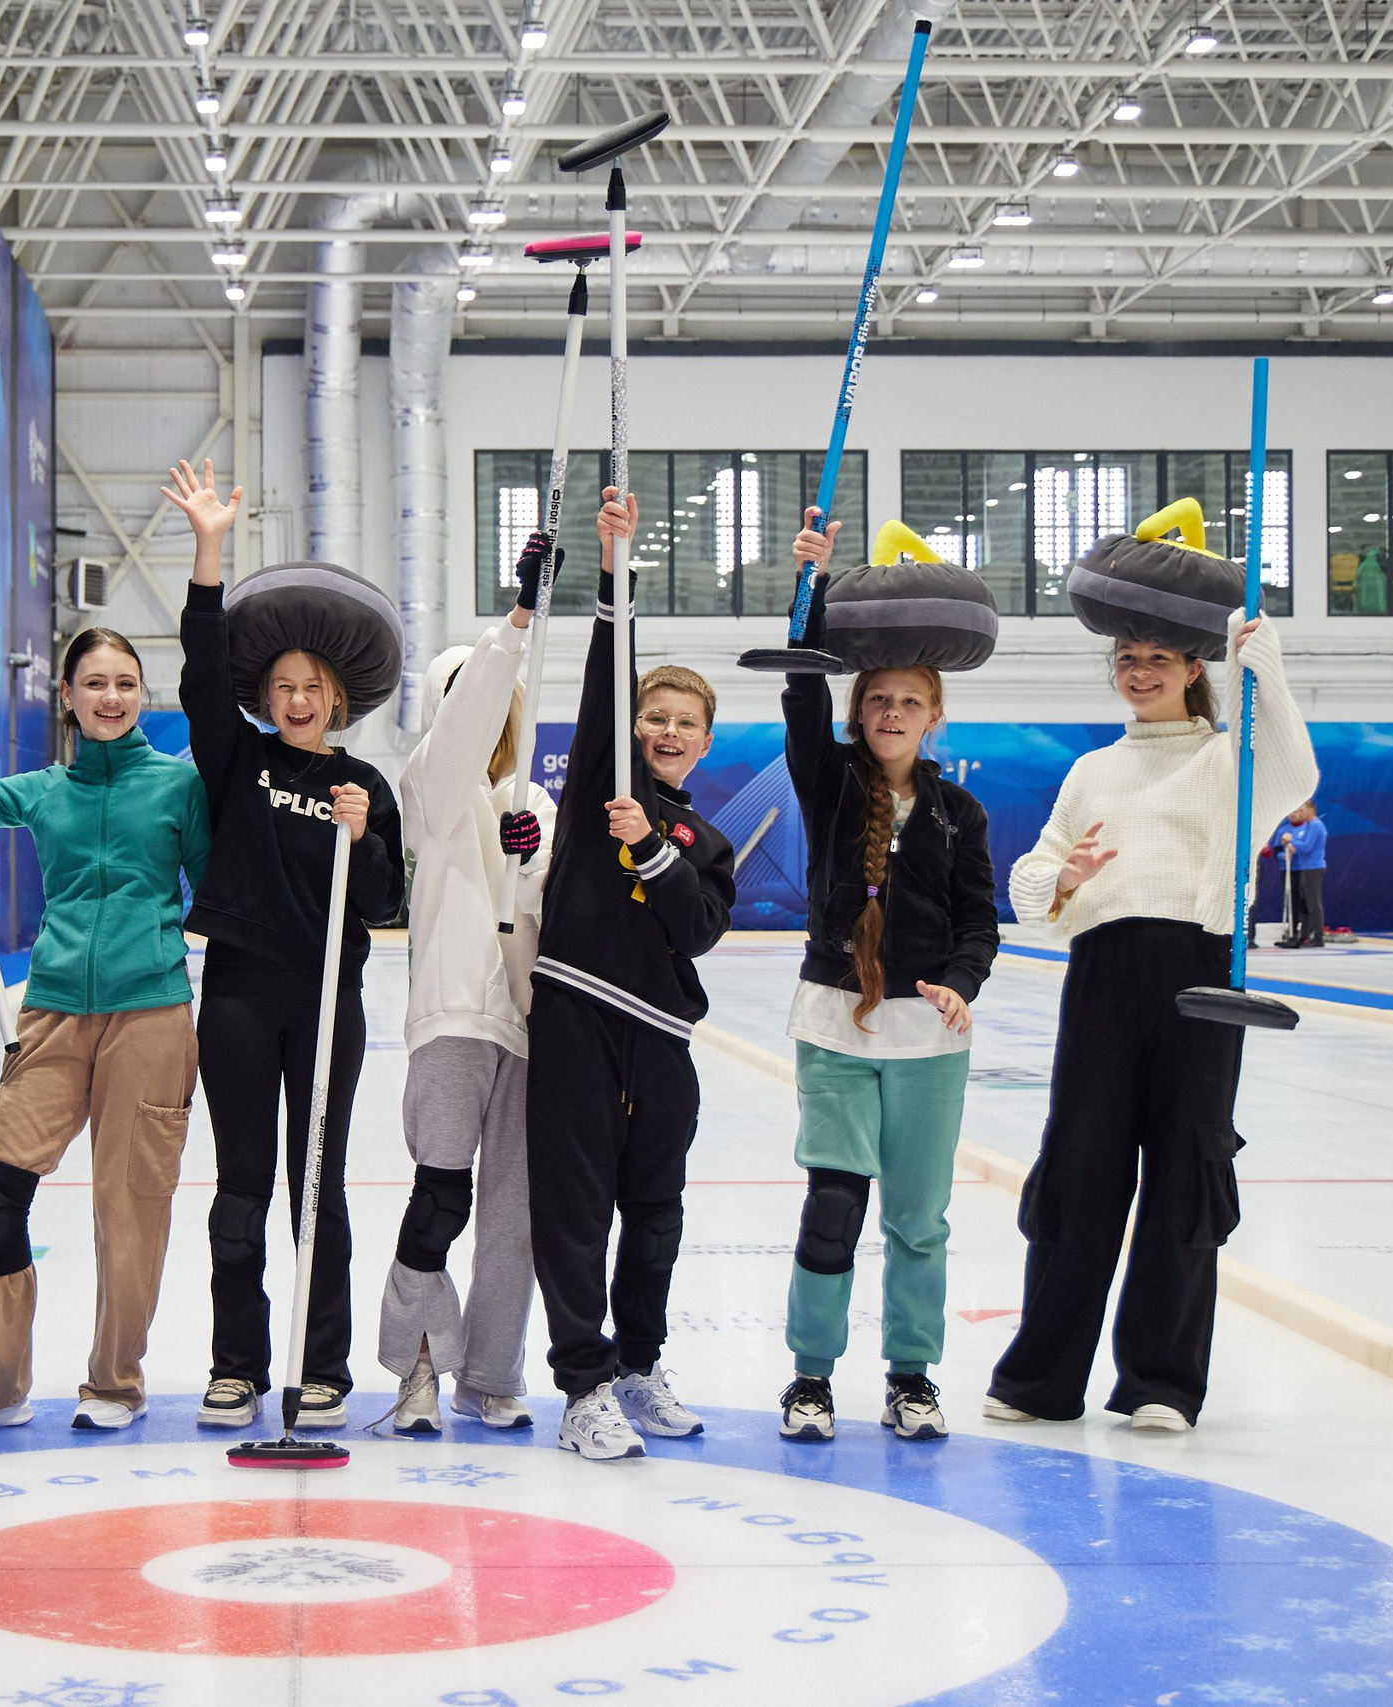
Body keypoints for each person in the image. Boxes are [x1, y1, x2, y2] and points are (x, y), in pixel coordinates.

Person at [988, 608, 1316, 1432]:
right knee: (1079, 1172)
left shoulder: (1226, 758)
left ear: (1192, 669)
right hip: (1102, 973)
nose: (1141, 671)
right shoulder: (1094, 769)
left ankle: (1161, 1381)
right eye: (1127, 658)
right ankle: (1040, 1380)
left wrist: (1260, 657)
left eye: (1159, 658)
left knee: (1185, 1172)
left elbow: (1294, 770)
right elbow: (1035, 877)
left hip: (1200, 975)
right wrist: (1065, 873)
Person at [0, 626, 213, 1434]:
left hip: (152, 1011)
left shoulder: (180, 788)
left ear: (144, 696)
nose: (111, 697)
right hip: (56, 1008)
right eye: (94, 684)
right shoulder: (43, 791)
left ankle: (115, 1382)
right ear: (66, 698)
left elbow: (216, 891)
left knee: (130, 1205)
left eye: (125, 684)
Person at [164, 459, 405, 1430]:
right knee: (241, 1186)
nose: (297, 698)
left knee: (320, 1189)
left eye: (312, 686)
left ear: (335, 696)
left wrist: (363, 837)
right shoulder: (239, 764)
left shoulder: (364, 786)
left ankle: (322, 1369)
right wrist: (208, 552)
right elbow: (194, 675)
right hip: (235, 993)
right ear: (263, 696)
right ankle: (235, 1366)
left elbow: (385, 903)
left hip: (325, 1002)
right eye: (281, 685)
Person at [772, 512, 999, 1446]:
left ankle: (912, 1375)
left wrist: (961, 982)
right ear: (860, 713)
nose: (892, 715)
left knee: (918, 1221)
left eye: (910, 702)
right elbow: (799, 691)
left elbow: (982, 921)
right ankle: (811, 1377)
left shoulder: (959, 810)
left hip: (930, 1041)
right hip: (835, 1023)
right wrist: (812, 590)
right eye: (878, 702)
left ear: (934, 715)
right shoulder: (831, 783)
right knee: (834, 1205)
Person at [528, 489, 738, 1462]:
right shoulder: (596, 797)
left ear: (703, 739)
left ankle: (639, 1365)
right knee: (574, 1210)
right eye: (651, 715)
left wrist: (655, 849)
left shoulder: (706, 839)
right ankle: (582, 1386)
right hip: (576, 1016)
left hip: (663, 1041)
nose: (661, 731)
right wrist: (616, 574)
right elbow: (602, 679)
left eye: (680, 722)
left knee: (655, 1213)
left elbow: (695, 932)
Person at [379, 570, 558, 1434]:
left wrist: (533, 868)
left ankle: (489, 1371)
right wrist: (516, 623)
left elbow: (544, 918)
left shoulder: (537, 804)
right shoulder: (433, 791)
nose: (489, 715)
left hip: (525, 1028)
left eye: (503, 703)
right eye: (472, 699)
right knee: (440, 1199)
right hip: (452, 1018)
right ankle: (416, 1363)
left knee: (515, 1214)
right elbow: (463, 726)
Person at [1270, 801, 1327, 948]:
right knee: (1305, 903)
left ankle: (1317, 936)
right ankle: (1304, 935)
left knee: (1312, 903)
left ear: (1311, 810)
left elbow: (1307, 847)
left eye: (1302, 810)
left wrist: (1291, 840)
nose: (1299, 814)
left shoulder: (1315, 825)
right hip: (1306, 867)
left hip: (1312, 867)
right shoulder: (1307, 826)